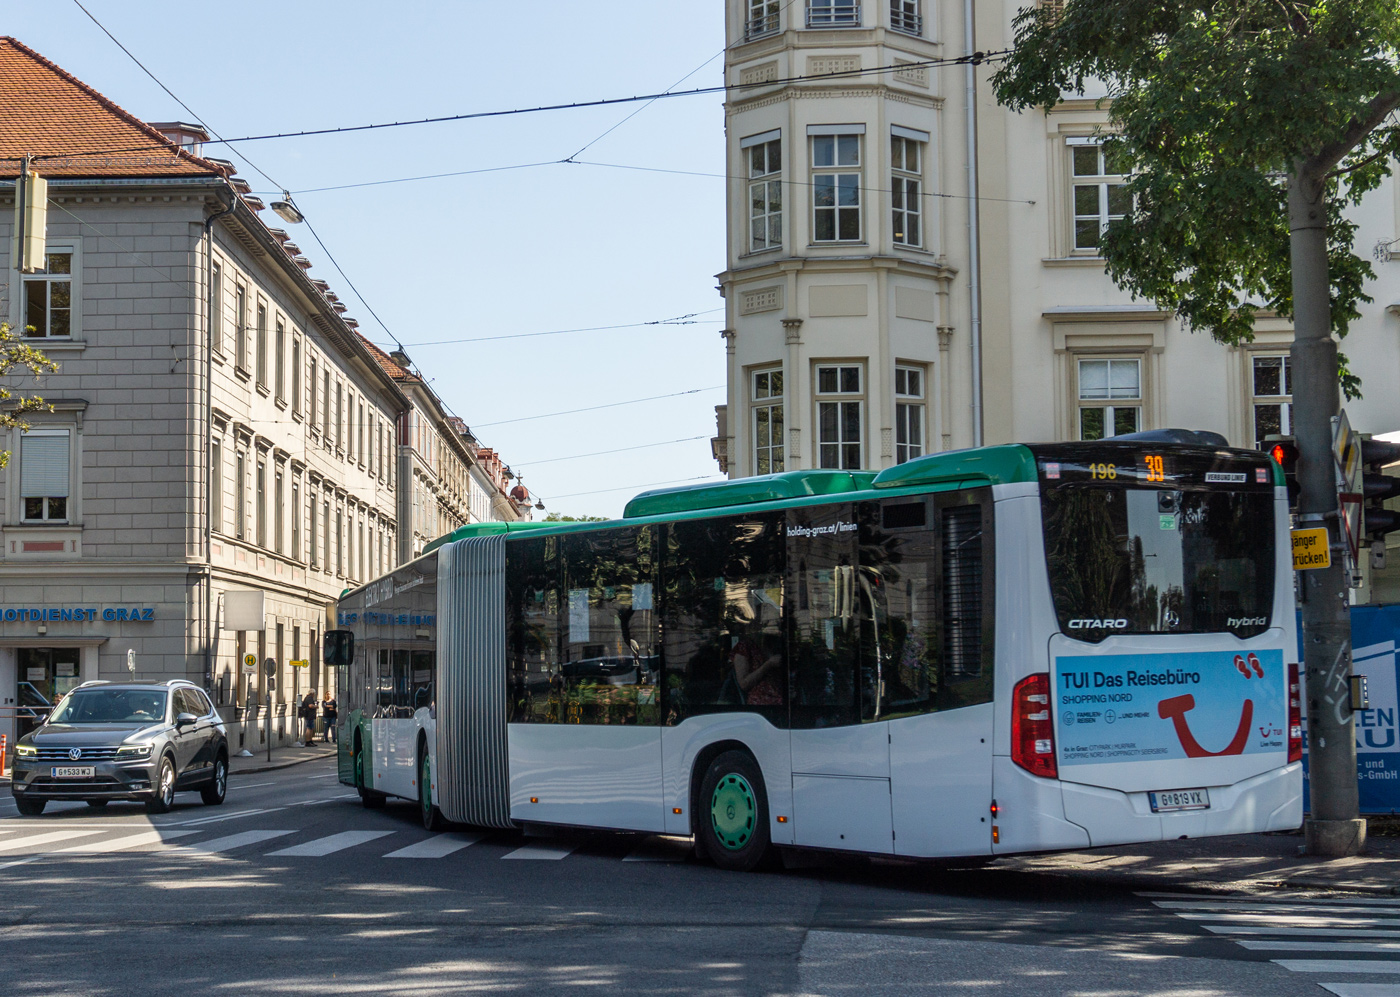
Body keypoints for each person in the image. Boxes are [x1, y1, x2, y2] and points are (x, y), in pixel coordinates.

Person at [730, 631, 783, 706]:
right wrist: (768, 665)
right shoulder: (744, 647)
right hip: (761, 703)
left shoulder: (774, 644)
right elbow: (744, 684)